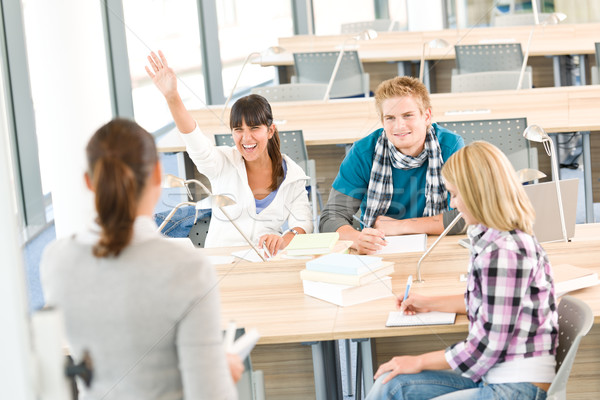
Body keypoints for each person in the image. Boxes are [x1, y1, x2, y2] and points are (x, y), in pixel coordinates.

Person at [41, 119, 241, 399]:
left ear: (89, 182)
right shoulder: (188, 268)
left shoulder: (56, 261)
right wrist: (222, 373)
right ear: (158, 174)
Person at [365, 141, 558, 400]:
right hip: (495, 375)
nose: (453, 204)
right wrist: (427, 303)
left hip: (515, 387)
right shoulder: (493, 238)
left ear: (478, 194)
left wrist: (418, 361)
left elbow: (485, 347)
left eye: (455, 195)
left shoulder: (505, 252)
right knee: (391, 386)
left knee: (396, 383)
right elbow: (487, 304)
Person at [146, 50, 312, 255]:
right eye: (238, 130)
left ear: (270, 131)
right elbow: (195, 141)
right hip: (221, 260)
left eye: (254, 129)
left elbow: (303, 222)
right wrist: (173, 97)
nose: (246, 138)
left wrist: (283, 239)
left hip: (265, 261)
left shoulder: (292, 176)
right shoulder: (223, 163)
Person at [319, 76, 465, 255]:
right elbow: (330, 217)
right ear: (382, 121)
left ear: (426, 116)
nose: (399, 126)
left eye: (408, 115)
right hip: (379, 249)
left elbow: (469, 215)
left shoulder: (450, 147)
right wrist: (357, 239)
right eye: (390, 118)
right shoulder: (364, 152)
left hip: (439, 247)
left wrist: (398, 226)